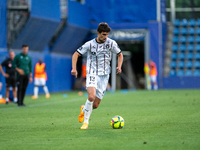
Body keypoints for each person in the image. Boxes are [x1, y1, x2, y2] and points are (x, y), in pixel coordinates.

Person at [71, 22, 123, 129]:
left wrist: (119, 66)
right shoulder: (89, 44)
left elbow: (120, 55)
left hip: (104, 76)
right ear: (98, 33)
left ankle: (84, 109)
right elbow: (76, 54)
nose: (105, 37)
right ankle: (86, 123)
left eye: (107, 35)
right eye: (103, 34)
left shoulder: (111, 43)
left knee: (95, 105)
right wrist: (74, 68)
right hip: (92, 73)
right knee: (91, 96)